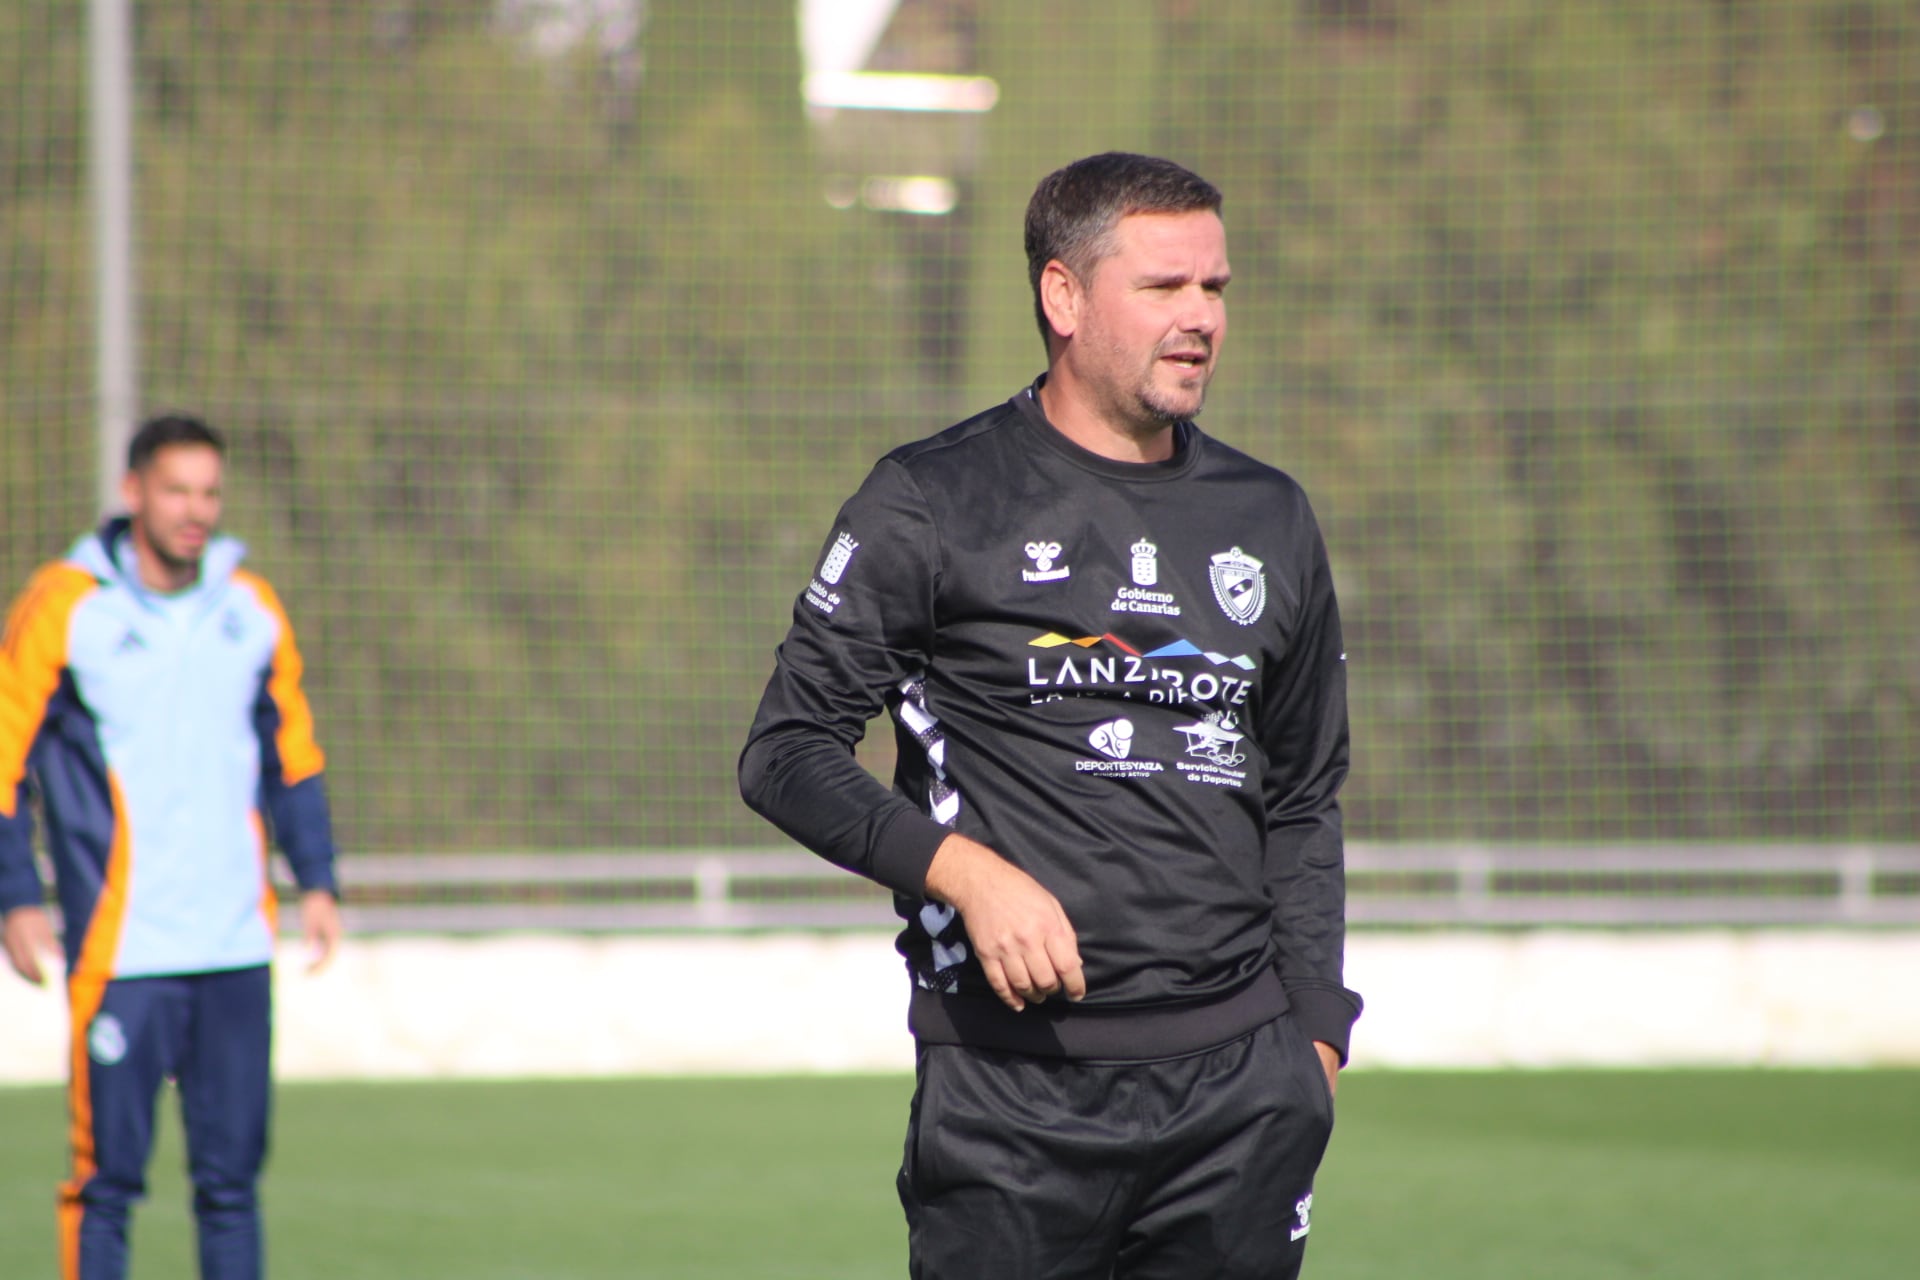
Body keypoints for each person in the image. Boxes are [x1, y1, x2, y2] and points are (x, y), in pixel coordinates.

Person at [739, 152, 1360, 1278]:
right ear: (1063, 298)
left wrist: (1314, 1033)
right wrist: (966, 873)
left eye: (1214, 288)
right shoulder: (932, 500)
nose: (1201, 319)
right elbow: (786, 751)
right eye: (1164, 288)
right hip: (1012, 1101)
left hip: (1243, 1101)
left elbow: (1305, 792)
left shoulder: (1269, 515)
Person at [0, 414, 343, 1280]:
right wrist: (15, 896)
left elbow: (292, 755)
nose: (195, 510)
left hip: (233, 945)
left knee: (230, 1186)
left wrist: (319, 880)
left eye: (209, 492)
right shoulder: (66, 605)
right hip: (122, 950)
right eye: (176, 490)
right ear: (133, 493)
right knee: (104, 1183)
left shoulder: (249, 608)